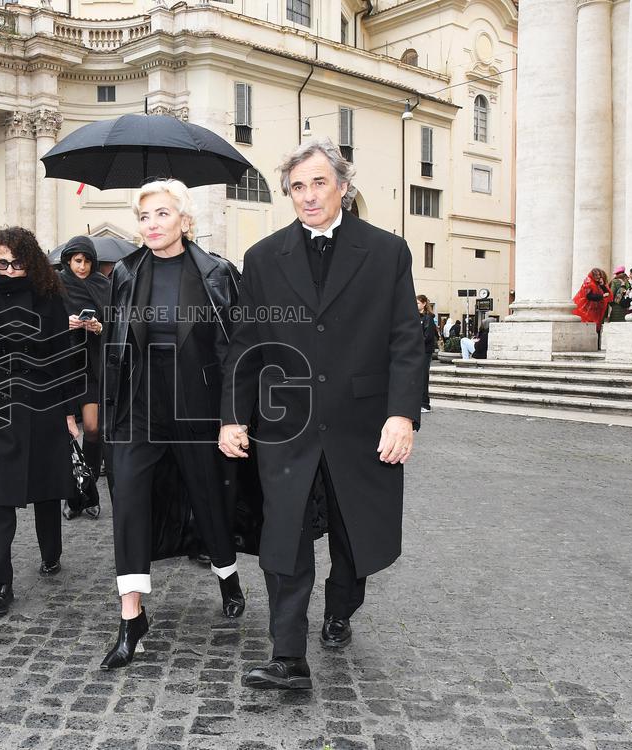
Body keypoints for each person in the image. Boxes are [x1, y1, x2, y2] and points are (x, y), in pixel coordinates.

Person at [218, 138, 422, 690]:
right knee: (283, 538)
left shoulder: (387, 252)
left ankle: (340, 607)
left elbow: (406, 338)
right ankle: (288, 656)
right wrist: (233, 416)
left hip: (363, 425)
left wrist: (402, 414)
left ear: (343, 186)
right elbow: (246, 344)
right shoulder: (262, 259)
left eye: (319, 183)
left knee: (355, 538)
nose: (308, 196)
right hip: (288, 424)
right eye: (298, 186)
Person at [100, 179, 245, 670]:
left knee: (208, 500)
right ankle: (131, 617)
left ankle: (227, 574)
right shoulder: (125, 273)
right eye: (144, 217)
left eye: (162, 215)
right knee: (129, 502)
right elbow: (114, 348)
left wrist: (231, 417)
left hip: (195, 406)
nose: (152, 225)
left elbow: (234, 352)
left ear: (185, 220)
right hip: (139, 409)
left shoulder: (216, 273)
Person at [0, 226, 80, 616]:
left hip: (44, 401)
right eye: (2, 262)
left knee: (46, 484)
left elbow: (64, 353)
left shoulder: (49, 292)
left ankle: (51, 553)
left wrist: (68, 410)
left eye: (17, 262)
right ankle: (0, 583)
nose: (10, 270)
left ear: (30, 261)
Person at [58, 235, 111, 519]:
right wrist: (63, 323)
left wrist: (98, 327)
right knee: (64, 435)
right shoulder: (54, 284)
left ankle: (89, 491)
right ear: (68, 260)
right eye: (77, 260)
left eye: (87, 260)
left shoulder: (102, 284)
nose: (82, 266)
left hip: (91, 365)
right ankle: (71, 495)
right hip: (61, 368)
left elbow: (113, 322)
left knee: (92, 429)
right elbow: (41, 322)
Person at [572, 268, 612, 347]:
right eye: (596, 276)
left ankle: (596, 346)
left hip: (595, 311)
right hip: (586, 310)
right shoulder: (588, 283)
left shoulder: (597, 284)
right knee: (590, 327)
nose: (598, 277)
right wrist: (602, 296)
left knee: (597, 328)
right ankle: (589, 345)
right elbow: (589, 296)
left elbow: (608, 294)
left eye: (599, 276)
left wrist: (602, 285)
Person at [416, 295, 437, 413]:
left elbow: (428, 336)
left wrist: (416, 344)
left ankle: (425, 403)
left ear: (424, 304)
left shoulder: (428, 318)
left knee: (424, 376)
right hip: (418, 351)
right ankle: (418, 402)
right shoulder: (416, 317)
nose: (416, 305)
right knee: (418, 377)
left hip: (425, 351)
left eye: (418, 303)